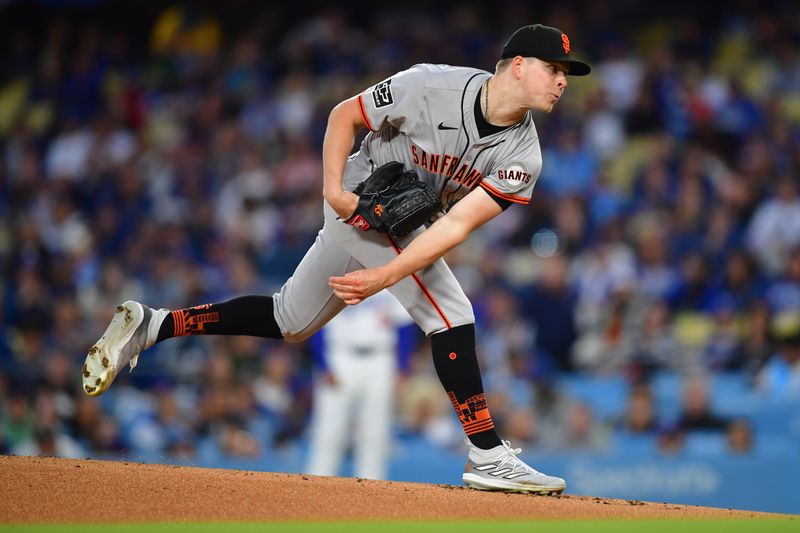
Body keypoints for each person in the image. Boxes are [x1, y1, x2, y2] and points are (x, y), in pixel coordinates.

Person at [82, 24, 590, 494]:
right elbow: (343, 115)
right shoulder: (430, 85)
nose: (561, 82)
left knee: (290, 321)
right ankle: (486, 453)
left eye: (566, 74)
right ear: (518, 64)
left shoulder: (524, 154)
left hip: (405, 220)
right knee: (452, 313)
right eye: (554, 69)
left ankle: (154, 325)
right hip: (359, 195)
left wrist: (384, 276)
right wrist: (334, 192)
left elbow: (455, 226)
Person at [305, 289, 414, 480]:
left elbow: (404, 324)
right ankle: (316, 482)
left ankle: (371, 486)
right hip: (339, 355)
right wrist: (323, 363)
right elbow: (316, 322)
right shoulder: (336, 269)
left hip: (381, 357)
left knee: (376, 430)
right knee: (329, 428)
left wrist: (402, 367)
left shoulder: (391, 274)